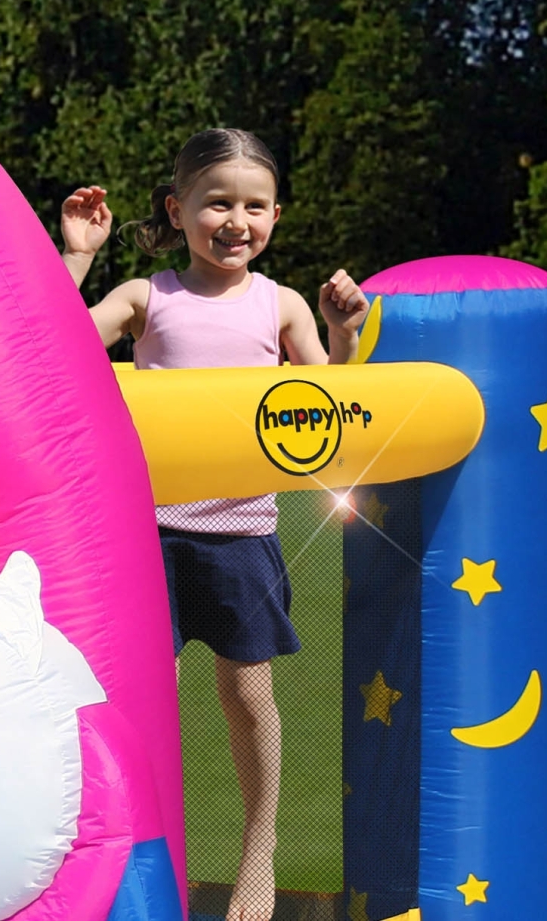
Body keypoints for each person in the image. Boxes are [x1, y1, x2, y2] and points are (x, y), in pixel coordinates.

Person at [60, 128, 368, 921]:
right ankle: (136, 850)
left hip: (241, 532)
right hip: (148, 537)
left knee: (249, 694)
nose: (236, 221)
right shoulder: (147, 297)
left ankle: (257, 852)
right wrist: (78, 257)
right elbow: (57, 343)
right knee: (139, 697)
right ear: (177, 209)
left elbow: (329, 404)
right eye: (217, 203)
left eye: (254, 206)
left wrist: (342, 331)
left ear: (276, 216)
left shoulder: (280, 304)